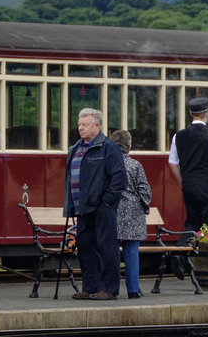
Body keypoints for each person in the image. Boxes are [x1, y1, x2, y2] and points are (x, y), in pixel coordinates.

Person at [64, 108, 126, 300]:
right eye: (79, 124)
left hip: (101, 207)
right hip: (81, 207)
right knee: (85, 247)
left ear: (97, 126)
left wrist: (107, 201)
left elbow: (119, 178)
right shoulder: (75, 148)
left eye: (85, 125)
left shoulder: (108, 147)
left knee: (106, 247)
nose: (80, 128)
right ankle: (90, 287)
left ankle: (108, 289)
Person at [168, 96, 208, 232]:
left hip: (189, 187)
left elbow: (173, 163)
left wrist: (183, 182)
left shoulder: (178, 136)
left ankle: (185, 249)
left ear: (191, 114)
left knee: (193, 222)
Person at [111, 129, 151, 299]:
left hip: (111, 213)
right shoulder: (135, 165)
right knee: (131, 252)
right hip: (133, 214)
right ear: (130, 146)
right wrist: (144, 206)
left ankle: (110, 289)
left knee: (110, 252)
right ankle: (133, 290)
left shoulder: (108, 164)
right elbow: (145, 192)